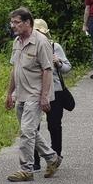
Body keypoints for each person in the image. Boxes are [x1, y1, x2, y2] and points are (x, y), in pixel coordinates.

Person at [5, 8, 63, 181]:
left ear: (28, 22)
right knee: (29, 131)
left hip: (36, 94)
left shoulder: (41, 42)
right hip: (21, 94)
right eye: (12, 22)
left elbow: (47, 69)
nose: (13, 25)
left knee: (27, 131)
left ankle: (26, 169)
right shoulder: (17, 42)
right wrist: (10, 93)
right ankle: (52, 158)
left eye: (16, 22)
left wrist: (44, 96)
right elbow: (15, 69)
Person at [32, 19, 72, 172]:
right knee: (33, 127)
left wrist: (59, 62)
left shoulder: (55, 46)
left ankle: (56, 156)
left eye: (41, 32)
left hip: (55, 90)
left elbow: (67, 67)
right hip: (35, 91)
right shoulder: (29, 47)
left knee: (54, 125)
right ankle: (35, 162)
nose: (38, 36)